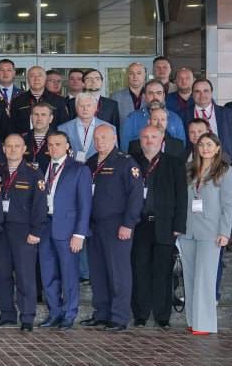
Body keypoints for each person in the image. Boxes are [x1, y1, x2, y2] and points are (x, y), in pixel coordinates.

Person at [82, 125, 142, 331]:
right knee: (98, 272)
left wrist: (128, 223)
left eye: (104, 137)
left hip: (117, 225)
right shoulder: (90, 163)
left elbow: (135, 196)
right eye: (97, 138)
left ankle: (119, 317)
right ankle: (102, 313)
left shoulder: (125, 162)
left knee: (118, 272)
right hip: (93, 225)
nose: (100, 142)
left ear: (114, 138)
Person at [129, 125, 187, 329]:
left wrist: (179, 224)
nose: (149, 140)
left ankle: (163, 316)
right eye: (145, 137)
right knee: (139, 270)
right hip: (138, 225)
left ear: (162, 139)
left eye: (153, 136)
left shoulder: (174, 163)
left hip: (165, 225)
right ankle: (140, 315)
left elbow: (182, 196)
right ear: (140, 139)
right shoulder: (131, 161)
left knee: (163, 272)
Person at [181, 132, 232, 336]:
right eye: (202, 144)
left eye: (209, 144)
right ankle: (192, 320)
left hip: (211, 232)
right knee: (190, 277)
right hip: (188, 230)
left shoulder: (226, 171)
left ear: (217, 148)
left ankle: (204, 324)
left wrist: (225, 232)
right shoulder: (189, 169)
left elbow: (228, 205)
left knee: (205, 278)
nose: (205, 148)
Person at [0, 135, 47, 331]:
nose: (13, 149)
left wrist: (36, 230)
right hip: (1, 229)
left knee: (25, 275)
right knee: (2, 274)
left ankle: (27, 317)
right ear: (4, 149)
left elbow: (40, 205)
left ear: (24, 149)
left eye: (17, 146)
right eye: (9, 146)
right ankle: (7, 314)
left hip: (24, 231)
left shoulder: (33, 173)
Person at [39, 131, 91, 329]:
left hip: (68, 229)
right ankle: (54, 312)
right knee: (48, 272)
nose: (53, 148)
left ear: (68, 146)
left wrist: (79, 234)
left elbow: (85, 204)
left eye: (58, 144)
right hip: (45, 226)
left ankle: (69, 313)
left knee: (69, 273)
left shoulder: (79, 169)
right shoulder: (43, 167)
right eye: (50, 144)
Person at [186, 79, 232, 160]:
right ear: (192, 94)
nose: (202, 95)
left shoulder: (228, 114)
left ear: (211, 92)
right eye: (197, 91)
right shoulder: (183, 115)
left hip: (223, 161)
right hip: (194, 162)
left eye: (206, 91)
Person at [119, 81, 186, 150]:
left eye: (158, 93)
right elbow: (125, 149)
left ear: (164, 96)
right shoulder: (132, 119)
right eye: (150, 93)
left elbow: (181, 148)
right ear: (144, 96)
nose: (155, 97)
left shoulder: (175, 119)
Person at [10, 66, 69, 134]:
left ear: (45, 78)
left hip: (52, 140)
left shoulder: (59, 101)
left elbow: (64, 126)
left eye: (40, 76)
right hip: (24, 140)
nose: (36, 79)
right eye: (32, 76)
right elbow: (12, 128)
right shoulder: (17, 102)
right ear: (28, 79)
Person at [60, 93, 110, 162]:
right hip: (72, 167)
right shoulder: (63, 129)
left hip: (99, 166)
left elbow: (113, 153)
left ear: (96, 108)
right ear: (76, 108)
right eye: (81, 106)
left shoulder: (109, 128)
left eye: (89, 105)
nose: (85, 109)